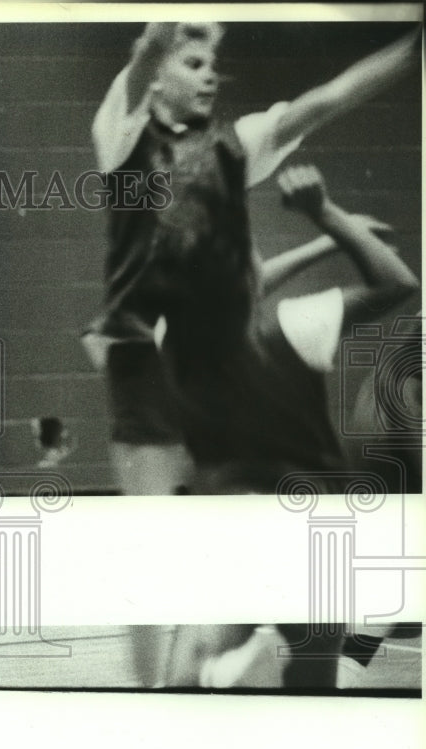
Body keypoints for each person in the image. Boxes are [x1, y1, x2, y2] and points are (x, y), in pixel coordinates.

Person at [87, 22, 420, 497]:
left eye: (213, 68)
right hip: (147, 367)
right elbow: (144, 57)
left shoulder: (231, 147)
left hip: (215, 370)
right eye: (194, 64)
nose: (209, 78)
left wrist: (411, 51)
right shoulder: (122, 140)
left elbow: (325, 101)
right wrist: (166, 31)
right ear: (159, 78)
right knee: (155, 529)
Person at [157, 164, 419, 687]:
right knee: (313, 681)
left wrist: (321, 245)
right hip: (309, 534)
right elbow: (399, 283)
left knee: (185, 674)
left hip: (231, 529)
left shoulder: (172, 339)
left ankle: (212, 678)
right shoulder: (294, 328)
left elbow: (239, 287)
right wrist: (326, 217)